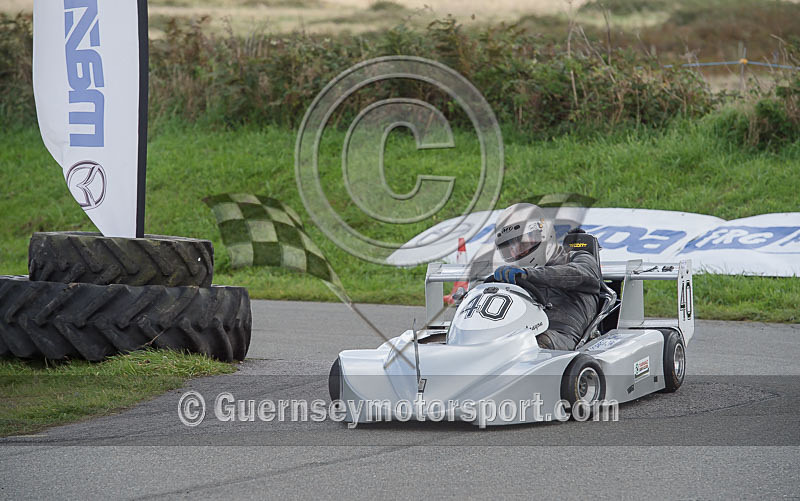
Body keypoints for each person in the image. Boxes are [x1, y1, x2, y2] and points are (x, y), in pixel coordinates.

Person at [490, 203, 602, 350]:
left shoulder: (578, 258)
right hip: (523, 332)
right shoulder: (515, 274)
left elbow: (579, 274)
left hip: (563, 335)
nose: (516, 251)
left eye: (522, 244)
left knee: (530, 343)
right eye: (510, 247)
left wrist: (528, 275)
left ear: (543, 234)